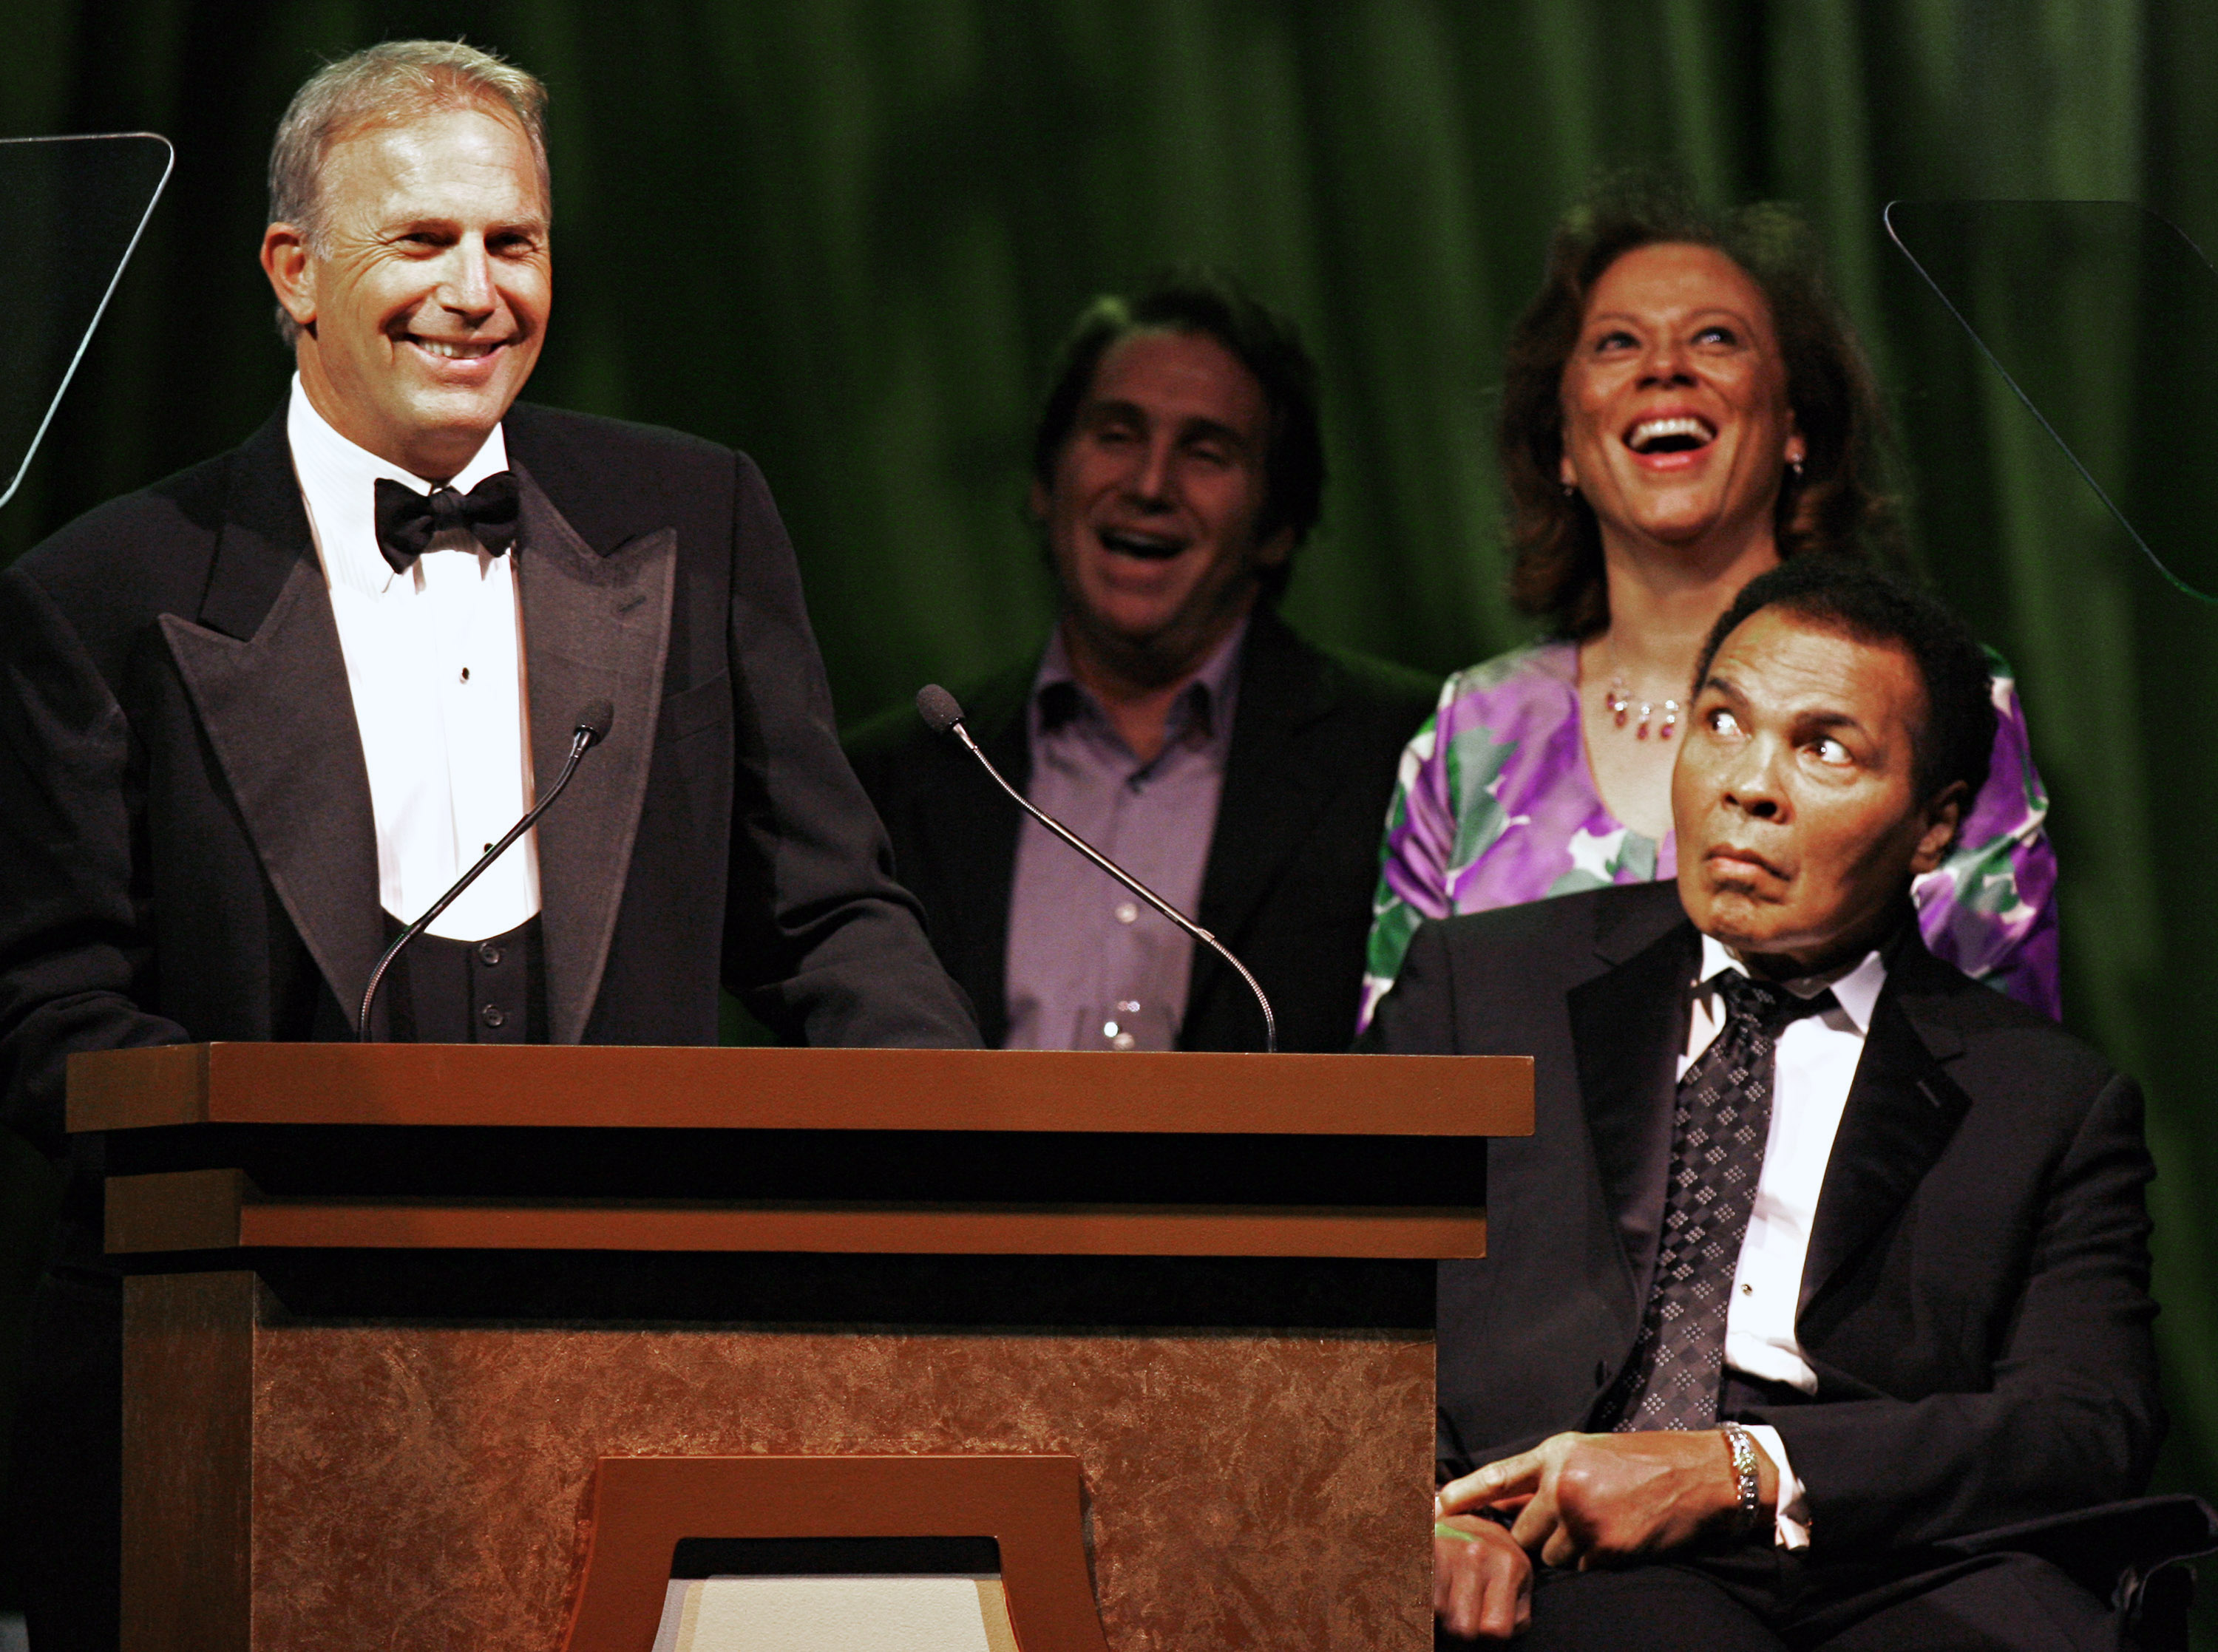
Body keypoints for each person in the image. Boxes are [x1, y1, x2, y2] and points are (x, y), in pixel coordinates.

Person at [0, 41, 974, 1646]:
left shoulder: (698, 516)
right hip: (218, 1391)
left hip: (638, 1381)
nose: (476, 290)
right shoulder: (104, 594)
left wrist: (967, 1159)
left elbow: (826, 918)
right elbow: (48, 1012)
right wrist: (285, 1175)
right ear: (294, 273)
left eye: (511, 242)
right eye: (422, 241)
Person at [1366, 557, 2169, 1649]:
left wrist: (1749, 1467)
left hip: (1890, 1558)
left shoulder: (2047, 1098)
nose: (1750, 784)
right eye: (1724, 722)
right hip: (1569, 1551)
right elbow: (1347, 1303)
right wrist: (1425, 1514)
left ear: (1934, 827)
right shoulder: (1487, 983)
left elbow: (2086, 1423)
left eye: (1824, 747)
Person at [1364, 180, 2058, 1031]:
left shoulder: (1941, 696)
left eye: (1717, 338)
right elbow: (1401, 1093)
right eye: (1617, 343)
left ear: (1796, 425)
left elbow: (2000, 1072)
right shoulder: (1469, 734)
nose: (1665, 367)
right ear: (1564, 447)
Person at [847, 274, 1438, 1053]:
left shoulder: (1411, 756)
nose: (1150, 485)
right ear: (1044, 482)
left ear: (1278, 524)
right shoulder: (889, 783)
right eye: (1116, 435)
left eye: (1207, 451)